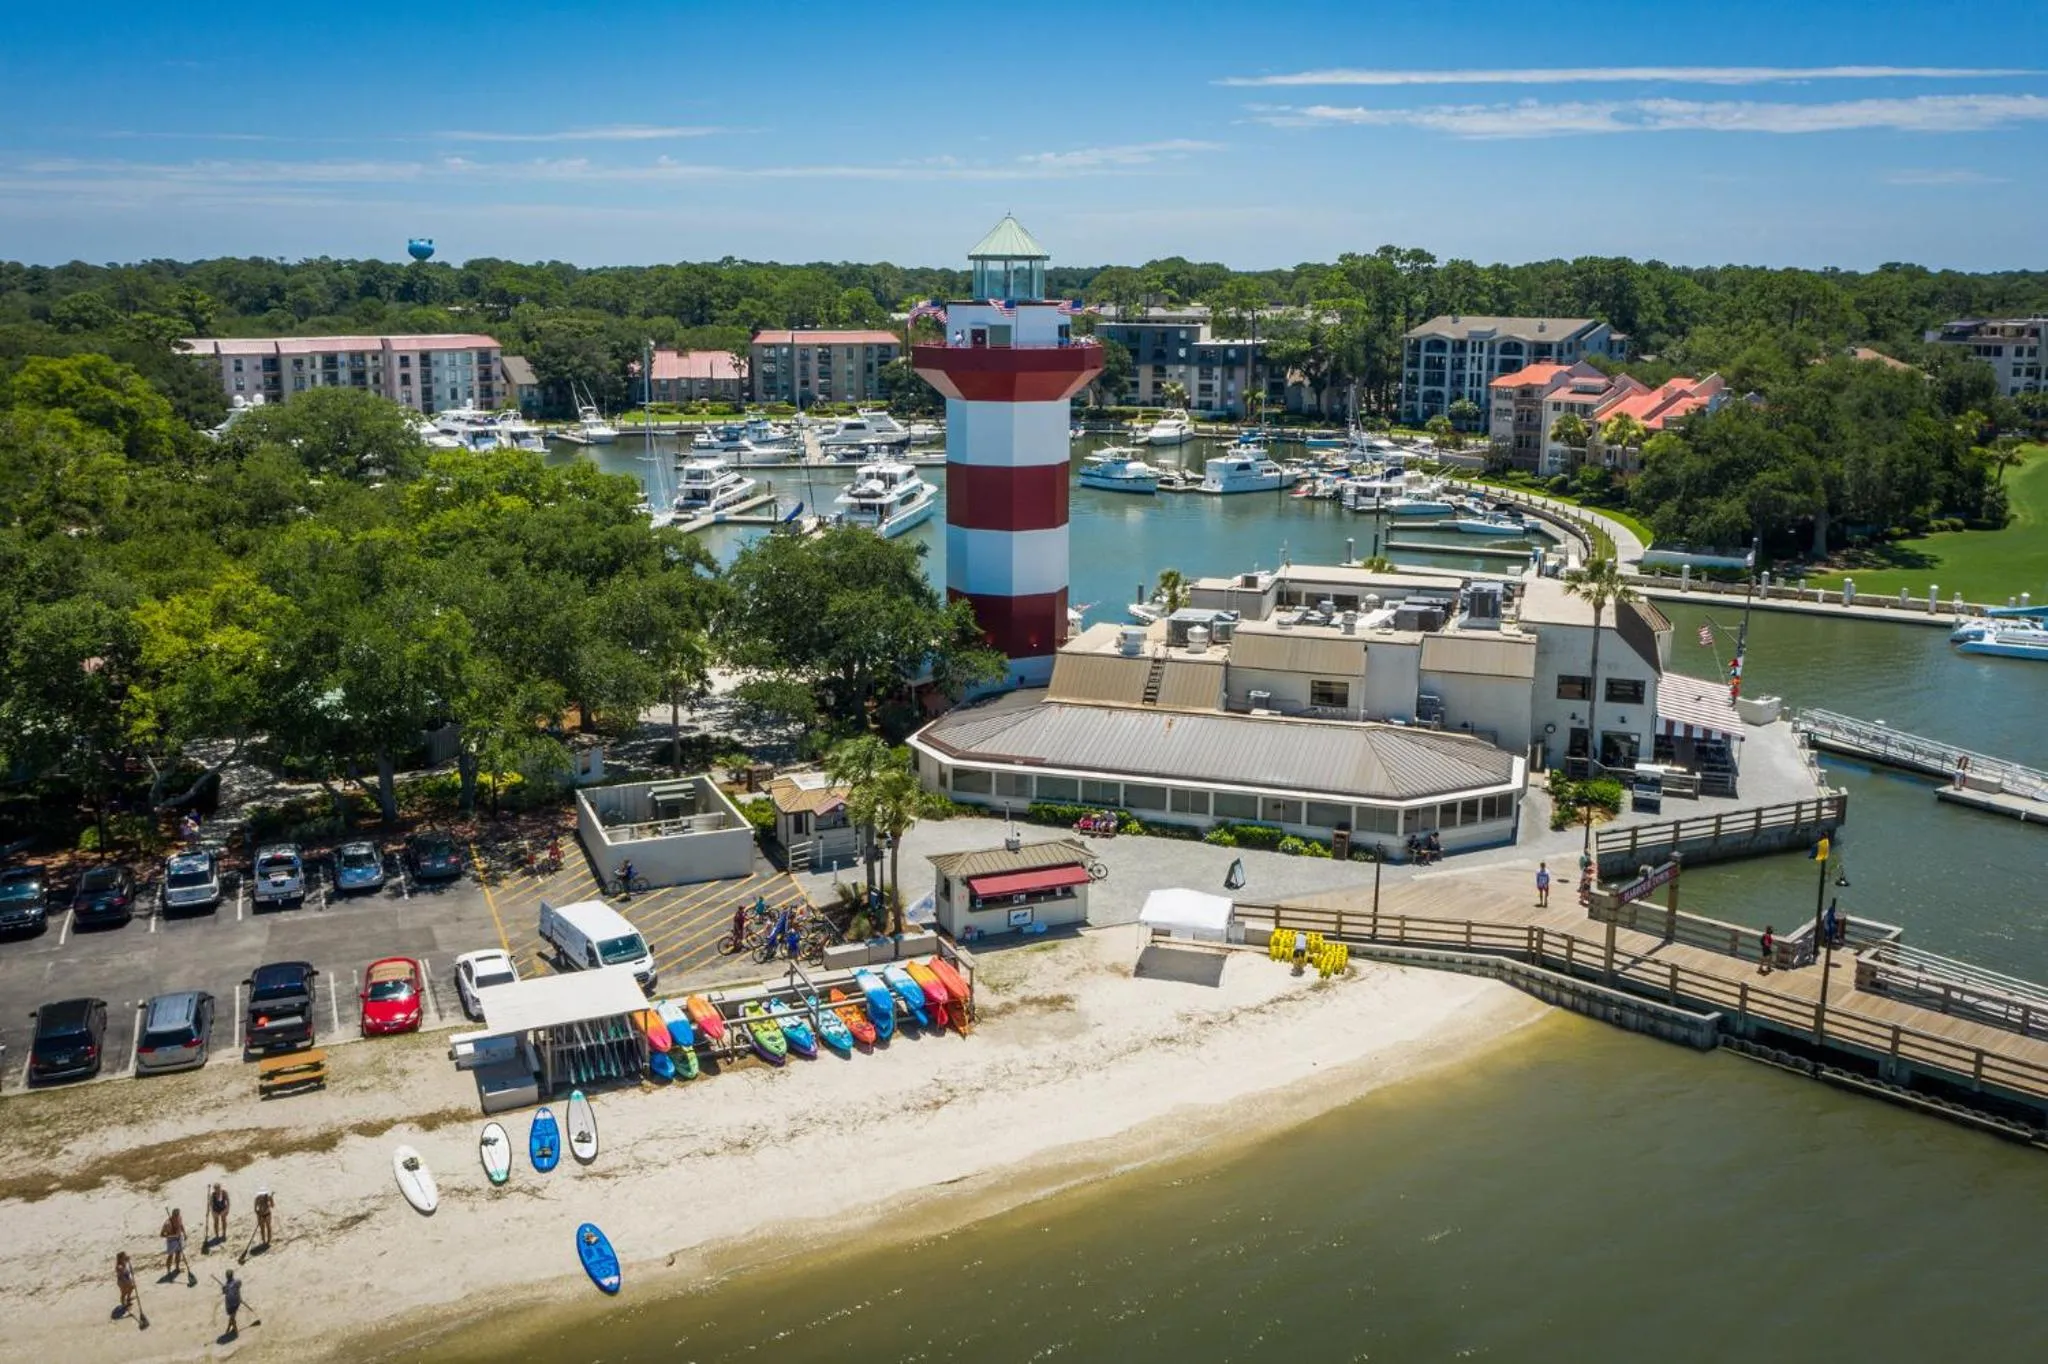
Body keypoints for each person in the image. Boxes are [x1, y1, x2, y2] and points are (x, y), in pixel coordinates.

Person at [162, 1208, 188, 1281]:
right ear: (173, 1215)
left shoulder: (179, 1218)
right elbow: (162, 1234)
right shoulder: (167, 1223)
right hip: (171, 1241)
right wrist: (172, 1236)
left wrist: (184, 1233)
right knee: (170, 1256)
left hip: (179, 1238)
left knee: (178, 1253)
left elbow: (181, 1225)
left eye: (178, 1215)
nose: (177, 1217)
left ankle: (177, 1268)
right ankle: (169, 1271)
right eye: (176, 1216)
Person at [221, 1270, 243, 1338]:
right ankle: (229, 1328)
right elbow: (239, 1285)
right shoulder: (237, 1281)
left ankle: (236, 1332)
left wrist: (225, 1288)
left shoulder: (225, 1286)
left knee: (232, 1317)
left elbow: (224, 1292)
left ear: (226, 1277)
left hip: (230, 1304)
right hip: (237, 1301)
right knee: (232, 1316)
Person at [207, 1182, 229, 1249]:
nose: (217, 1190)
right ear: (214, 1189)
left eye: (218, 1188)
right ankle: (217, 1236)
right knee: (216, 1222)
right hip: (215, 1210)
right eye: (216, 1189)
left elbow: (228, 1202)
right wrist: (213, 1212)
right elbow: (210, 1205)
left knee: (224, 1221)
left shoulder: (224, 1193)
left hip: (223, 1208)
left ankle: (224, 1234)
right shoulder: (212, 1195)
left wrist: (227, 1209)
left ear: (220, 1188)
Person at [116, 1251, 136, 1316]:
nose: (126, 1257)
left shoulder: (126, 1263)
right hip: (122, 1281)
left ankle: (128, 1298)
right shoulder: (119, 1266)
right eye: (124, 1256)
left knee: (132, 1287)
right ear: (120, 1258)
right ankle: (123, 1304)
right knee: (124, 1293)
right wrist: (127, 1282)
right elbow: (121, 1275)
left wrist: (129, 1264)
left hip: (127, 1279)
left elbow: (130, 1270)